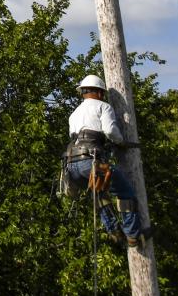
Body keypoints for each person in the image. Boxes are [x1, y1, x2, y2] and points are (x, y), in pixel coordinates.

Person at [64, 73, 151, 246]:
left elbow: (77, 136)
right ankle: (134, 235)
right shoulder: (103, 107)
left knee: (100, 193)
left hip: (71, 166)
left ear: (83, 92)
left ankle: (114, 232)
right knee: (125, 192)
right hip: (91, 161)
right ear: (99, 92)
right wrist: (121, 142)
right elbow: (110, 130)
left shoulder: (74, 113)